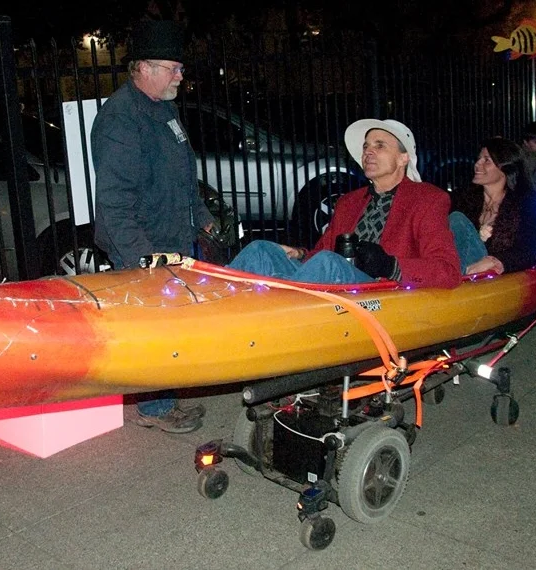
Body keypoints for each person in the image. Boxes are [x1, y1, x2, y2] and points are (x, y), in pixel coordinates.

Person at [90, 20, 214, 434]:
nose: (180, 75)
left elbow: (183, 173)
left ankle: (164, 400)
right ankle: (155, 408)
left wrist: (203, 216)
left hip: (176, 238)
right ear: (142, 68)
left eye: (180, 68)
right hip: (146, 246)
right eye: (172, 68)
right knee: (158, 332)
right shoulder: (122, 120)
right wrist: (142, 257)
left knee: (176, 328)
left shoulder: (166, 110)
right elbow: (115, 200)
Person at [227, 119, 461, 289]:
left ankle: (278, 309)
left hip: (380, 294)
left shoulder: (428, 199)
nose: (368, 151)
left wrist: (390, 265)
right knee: (262, 249)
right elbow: (320, 254)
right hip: (333, 284)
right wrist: (299, 254)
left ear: (403, 158)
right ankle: (213, 308)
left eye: (380, 146)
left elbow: (448, 272)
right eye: (366, 146)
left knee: (330, 263)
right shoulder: (349, 202)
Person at [449, 138, 536, 275]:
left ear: (505, 166)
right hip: (460, 266)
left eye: (486, 160)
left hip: (492, 274)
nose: (477, 164)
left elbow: (528, 251)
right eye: (479, 159)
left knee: (457, 219)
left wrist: (496, 261)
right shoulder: (463, 198)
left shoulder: (526, 203)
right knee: (456, 219)